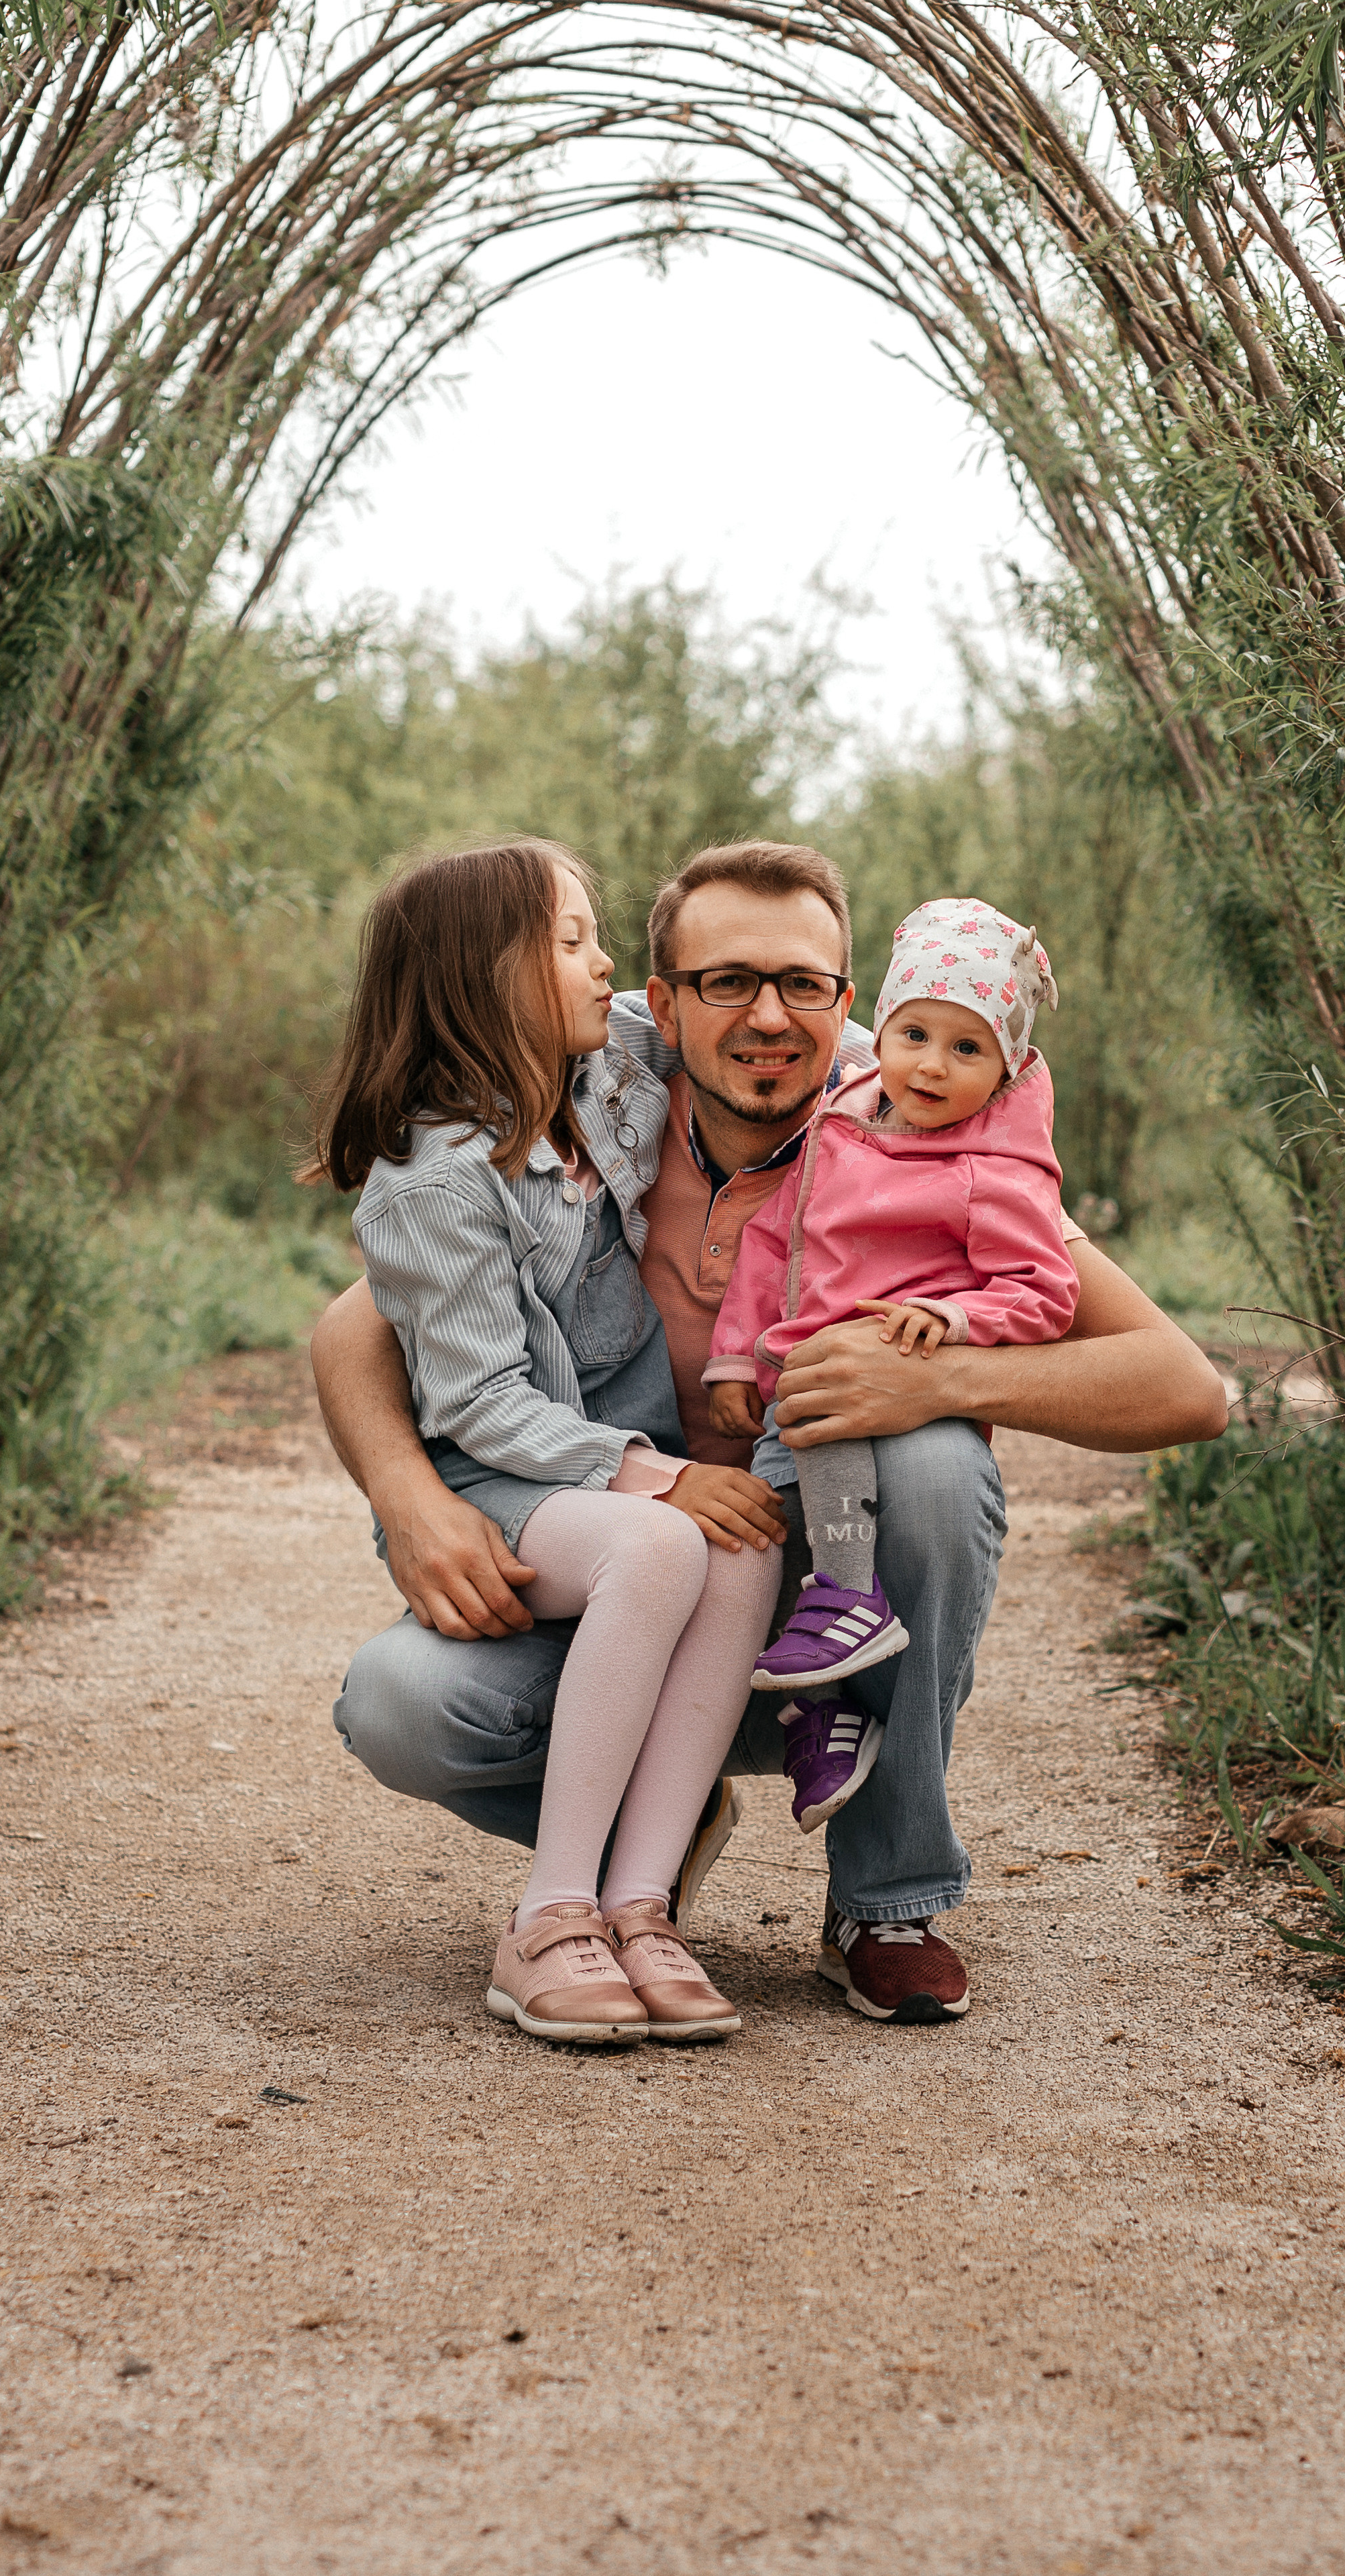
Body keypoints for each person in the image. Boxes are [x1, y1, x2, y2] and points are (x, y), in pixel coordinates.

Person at [312, 840, 1228, 2027]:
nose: (768, 1017)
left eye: (805, 984)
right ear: (664, 998)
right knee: (402, 1700)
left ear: (851, 1000)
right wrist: (411, 1497)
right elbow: (361, 1320)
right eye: (727, 981)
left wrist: (938, 1381)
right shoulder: (588, 1090)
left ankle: (885, 1901)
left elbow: (1183, 1387)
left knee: (937, 1466)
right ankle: (639, 1842)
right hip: (631, 1578)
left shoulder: (923, 1106)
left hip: (824, 1608)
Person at [307, 837, 786, 2048]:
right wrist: (665, 1477)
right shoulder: (430, 1180)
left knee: (739, 1550)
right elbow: (477, 1405)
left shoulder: (606, 1064)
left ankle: (643, 1907)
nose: (607, 962)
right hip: (506, 1486)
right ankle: (548, 1916)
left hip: (605, 1480)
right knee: (669, 1544)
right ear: (484, 977)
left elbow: (744, 997)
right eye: (572, 941)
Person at [706, 900, 1079, 1838]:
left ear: (1007, 1068)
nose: (929, 1066)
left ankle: (850, 1603)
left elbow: (1043, 1294)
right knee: (767, 1508)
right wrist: (730, 1354)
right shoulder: (839, 1123)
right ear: (884, 1027)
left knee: (832, 1424)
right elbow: (771, 1241)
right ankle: (824, 1705)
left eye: (967, 1050)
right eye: (914, 1034)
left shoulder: (995, 1169)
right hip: (798, 1386)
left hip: (893, 1390)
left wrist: (949, 1316)